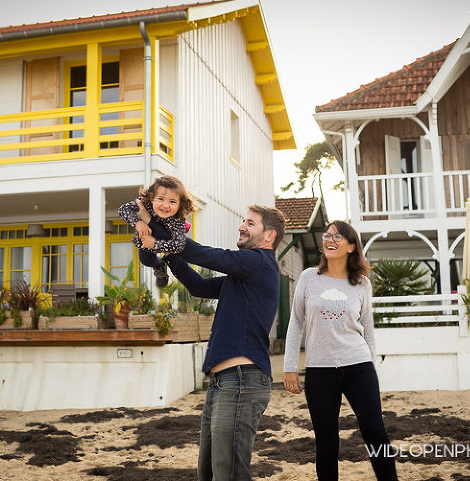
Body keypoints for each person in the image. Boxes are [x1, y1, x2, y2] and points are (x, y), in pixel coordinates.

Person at [145, 204, 285, 481]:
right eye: (243, 221)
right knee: (209, 472)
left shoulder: (258, 262)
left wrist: (158, 225)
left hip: (242, 382)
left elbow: (206, 255)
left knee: (228, 473)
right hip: (224, 383)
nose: (241, 226)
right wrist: (171, 256)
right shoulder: (245, 277)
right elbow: (199, 287)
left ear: (269, 236)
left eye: (250, 223)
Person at [283, 220, 398, 481]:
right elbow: (296, 322)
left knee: (374, 431)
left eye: (337, 236)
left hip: (358, 366)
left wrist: (372, 371)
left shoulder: (362, 284)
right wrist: (289, 366)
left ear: (351, 246)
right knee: (326, 442)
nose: (329, 240)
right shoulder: (308, 278)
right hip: (319, 371)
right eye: (327, 236)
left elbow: (368, 330)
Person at [117, 175, 195, 288]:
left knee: (176, 257)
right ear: (152, 197)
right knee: (146, 260)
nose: (165, 205)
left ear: (180, 204)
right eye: (161, 199)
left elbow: (177, 245)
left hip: (167, 242)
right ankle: (159, 265)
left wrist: (156, 244)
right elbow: (123, 210)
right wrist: (138, 223)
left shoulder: (179, 219)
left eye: (172, 201)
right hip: (147, 236)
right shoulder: (144, 205)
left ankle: (170, 263)